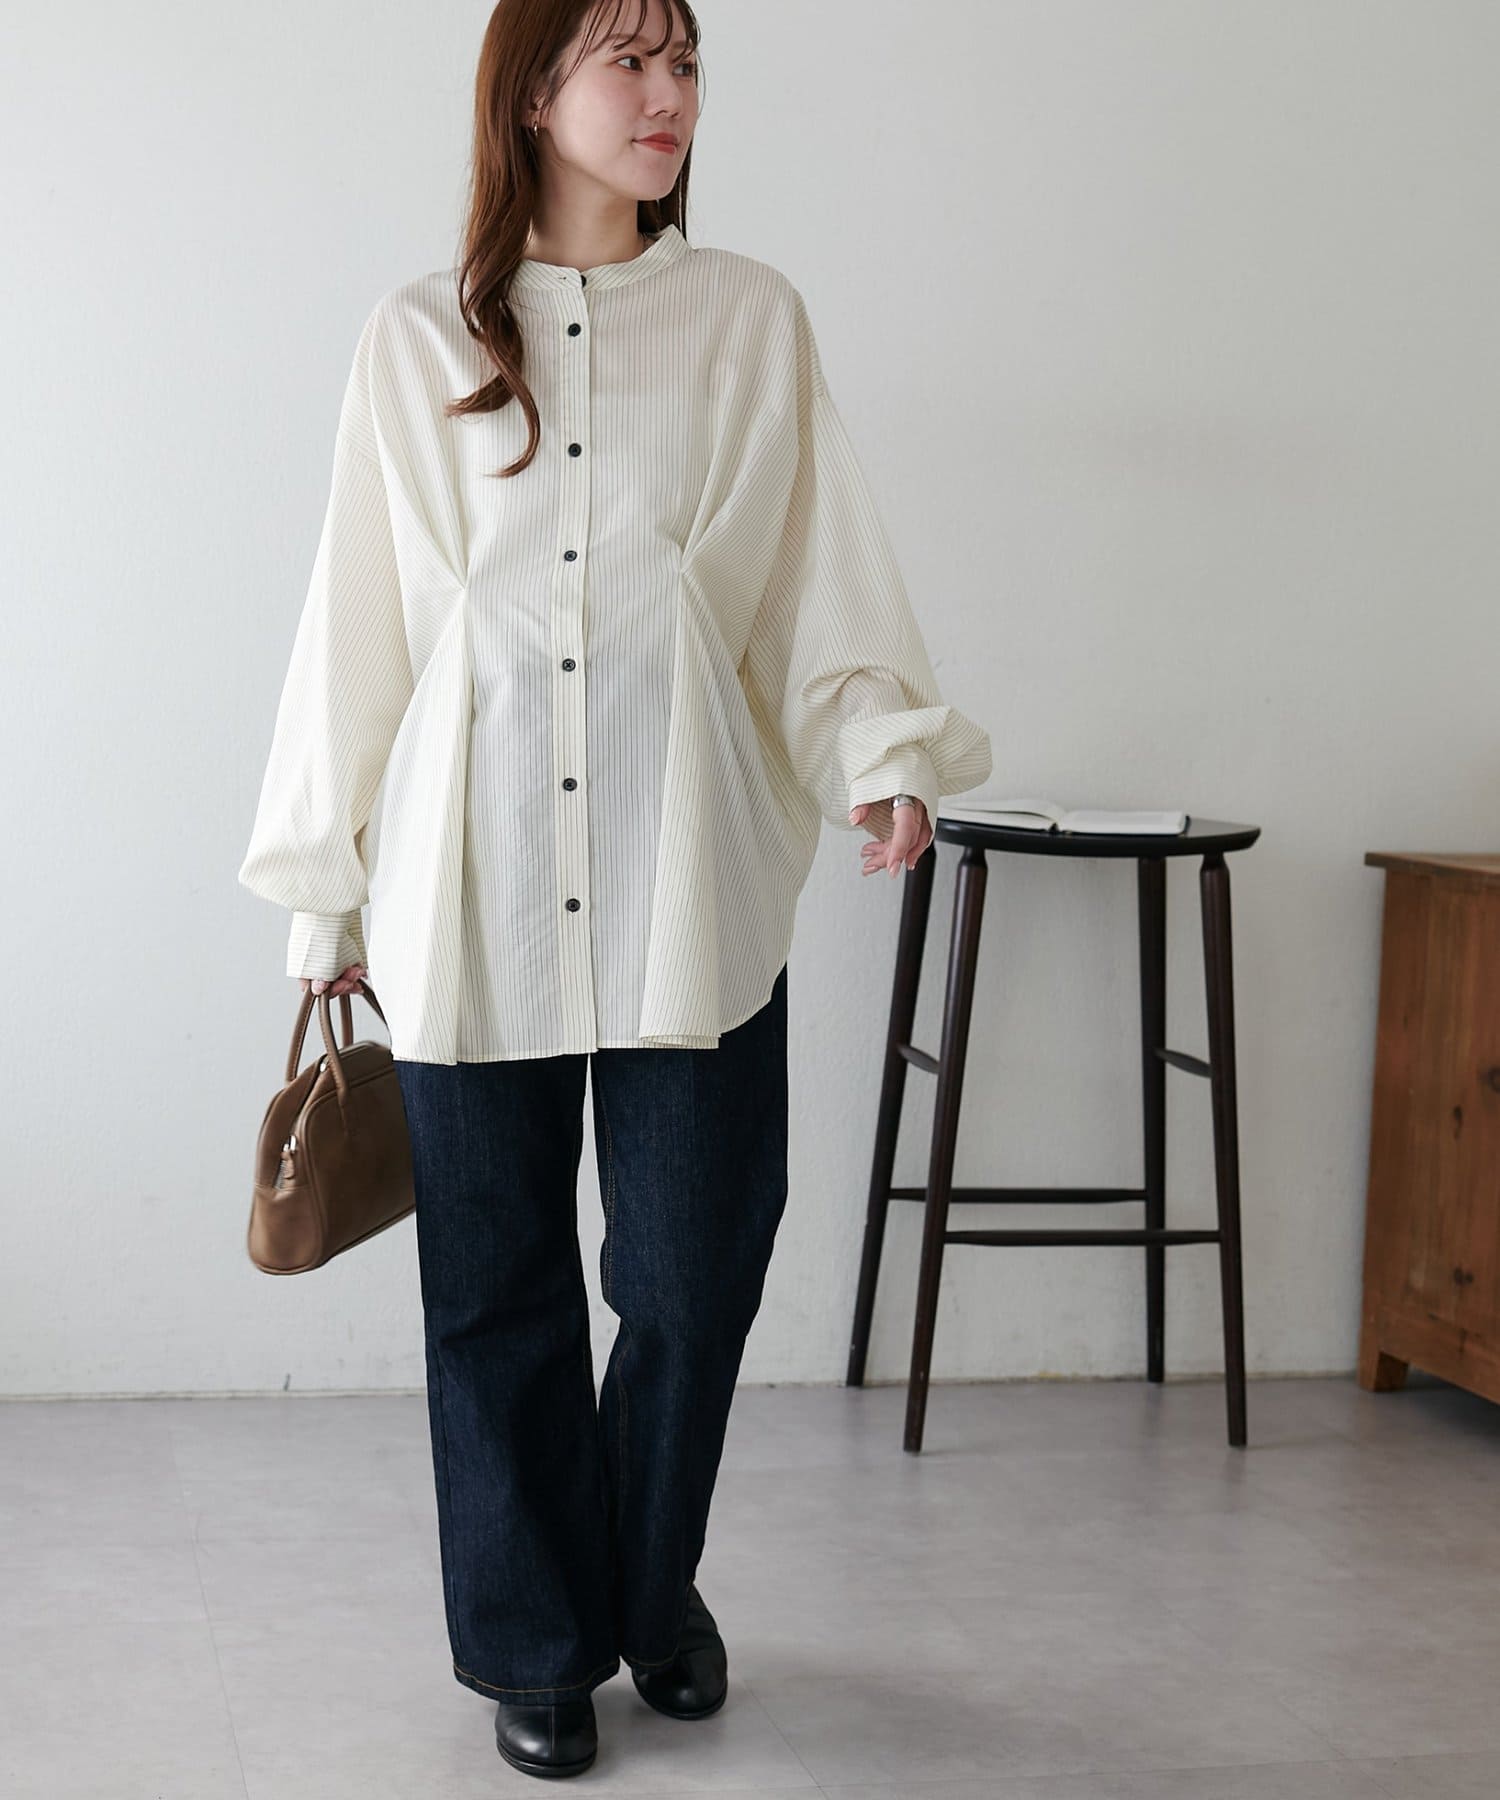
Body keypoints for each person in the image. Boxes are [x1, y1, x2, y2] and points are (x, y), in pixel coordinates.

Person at [238, 0, 992, 1779]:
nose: (670, 96)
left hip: (689, 875)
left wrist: (881, 752)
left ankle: (648, 1591)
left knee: (694, 1269)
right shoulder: (417, 337)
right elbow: (359, 629)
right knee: (494, 1290)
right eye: (630, 61)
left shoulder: (750, 321)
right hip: (465, 883)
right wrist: (324, 895)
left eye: (687, 64)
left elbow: (813, 578)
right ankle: (537, 1646)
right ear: (533, 91)